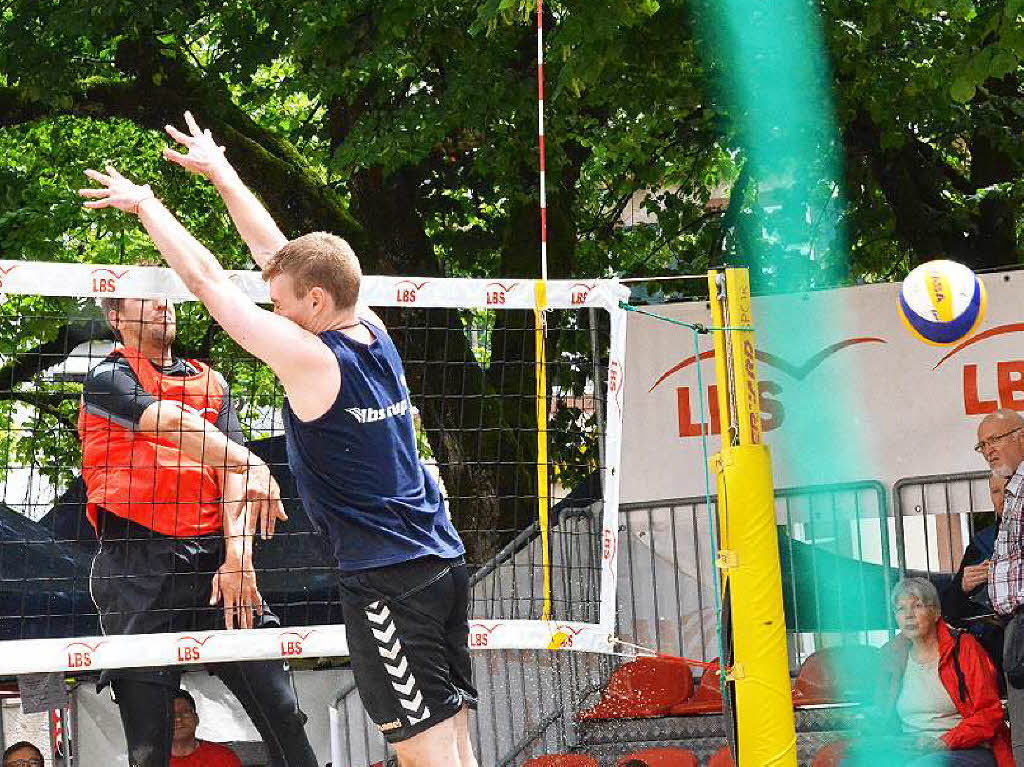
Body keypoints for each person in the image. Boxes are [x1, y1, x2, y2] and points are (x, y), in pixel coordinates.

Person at [79, 112, 478, 767]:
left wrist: (149, 204)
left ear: (316, 303)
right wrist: (221, 172)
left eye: (285, 303)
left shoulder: (313, 358)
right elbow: (281, 256)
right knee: (453, 742)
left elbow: (210, 284)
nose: (275, 310)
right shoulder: (371, 329)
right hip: (438, 560)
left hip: (388, 578)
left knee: (429, 754)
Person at [79, 293, 318, 767]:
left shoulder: (211, 381)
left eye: (166, 298)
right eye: (145, 300)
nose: (162, 306)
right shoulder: (107, 378)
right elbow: (170, 424)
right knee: (149, 746)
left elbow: (231, 473)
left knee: (283, 715)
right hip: (137, 567)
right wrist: (249, 459)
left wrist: (239, 560)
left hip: (214, 562)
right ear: (115, 317)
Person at [841, 578, 1011, 767]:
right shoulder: (892, 654)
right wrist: (866, 719)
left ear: (936, 612)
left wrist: (943, 742)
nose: (908, 615)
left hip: (963, 747)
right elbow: (883, 710)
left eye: (917, 606)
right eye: (900, 609)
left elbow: (990, 714)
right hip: (909, 747)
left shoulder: (963, 647)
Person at [978, 408, 1024, 763]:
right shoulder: (1013, 492)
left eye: (994, 440)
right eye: (981, 445)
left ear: (1020, 436)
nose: (988, 450)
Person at [941, 472, 1007, 682]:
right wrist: (963, 587)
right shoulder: (982, 543)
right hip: (994, 653)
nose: (1003, 498)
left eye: (1010, 491)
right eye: (996, 491)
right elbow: (949, 609)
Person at [169, 689, 242, 767]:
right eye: (171, 714)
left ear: (196, 718)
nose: (178, 719)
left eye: (185, 712)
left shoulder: (224, 758)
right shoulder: (154, 759)